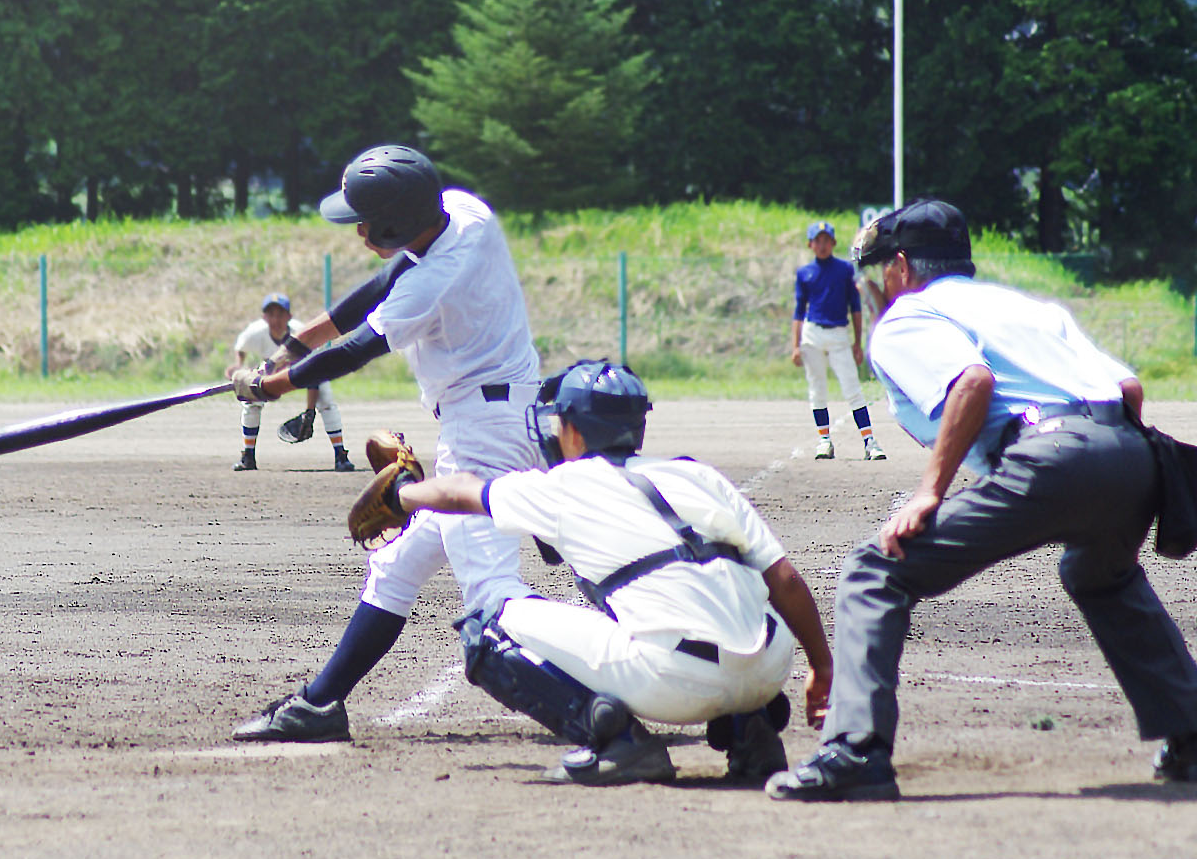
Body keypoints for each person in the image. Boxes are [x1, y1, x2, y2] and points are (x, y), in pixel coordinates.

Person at [768, 199, 1197, 802]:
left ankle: (857, 749)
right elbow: (1127, 386)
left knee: (874, 570)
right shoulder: (1027, 308)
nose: (877, 286)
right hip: (1133, 454)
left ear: (901, 266)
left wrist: (929, 493)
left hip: (1053, 455)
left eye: (878, 274)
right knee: (1101, 573)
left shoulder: (908, 315)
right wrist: (1103, 478)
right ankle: (1191, 734)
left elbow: (972, 381)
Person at [388, 360, 832, 785]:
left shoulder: (563, 486)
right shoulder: (699, 476)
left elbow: (460, 490)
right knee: (702, 586)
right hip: (769, 669)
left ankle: (620, 742)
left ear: (575, 432)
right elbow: (786, 581)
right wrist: (821, 665)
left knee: (486, 628)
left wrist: (403, 494)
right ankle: (750, 731)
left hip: (674, 682)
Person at [229, 144, 543, 743]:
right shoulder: (461, 212)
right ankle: (320, 705)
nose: (359, 230)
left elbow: (358, 349)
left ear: (395, 223)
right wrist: (294, 348)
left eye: (365, 221)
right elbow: (381, 284)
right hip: (498, 416)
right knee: (397, 563)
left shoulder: (435, 286)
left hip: (485, 439)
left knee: (493, 601)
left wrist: (269, 386)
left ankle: (604, 704)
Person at [226, 292, 355, 473]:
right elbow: (241, 347)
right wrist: (238, 366)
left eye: (280, 314)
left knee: (326, 400)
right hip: (271, 371)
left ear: (289, 316)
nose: (275, 319)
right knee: (251, 401)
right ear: (264, 317)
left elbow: (314, 373)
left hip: (303, 371)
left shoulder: (301, 333)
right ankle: (248, 456)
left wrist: (309, 412)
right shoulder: (255, 332)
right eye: (271, 314)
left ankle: (340, 455)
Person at [792, 220, 887, 461]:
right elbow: (799, 311)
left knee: (852, 388)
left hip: (838, 333)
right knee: (817, 389)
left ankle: (869, 441)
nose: (822, 245)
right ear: (810, 244)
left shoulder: (844, 270)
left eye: (826, 240)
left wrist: (857, 342)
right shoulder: (805, 273)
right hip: (813, 333)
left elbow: (854, 307)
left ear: (833, 243)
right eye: (818, 241)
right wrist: (795, 346)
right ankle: (824, 440)